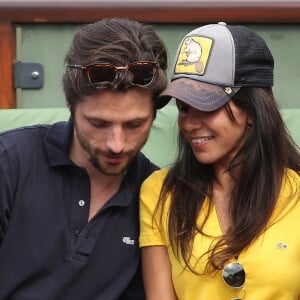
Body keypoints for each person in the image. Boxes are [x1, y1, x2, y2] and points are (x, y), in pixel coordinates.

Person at [0, 18, 168, 300]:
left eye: (134, 125)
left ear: (154, 112)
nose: (117, 144)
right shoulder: (10, 163)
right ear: (69, 101)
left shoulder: (158, 196)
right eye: (99, 124)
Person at [139, 22, 300, 300]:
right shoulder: (159, 193)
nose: (189, 123)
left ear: (252, 109)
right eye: (184, 108)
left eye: (206, 105)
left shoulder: (295, 192)